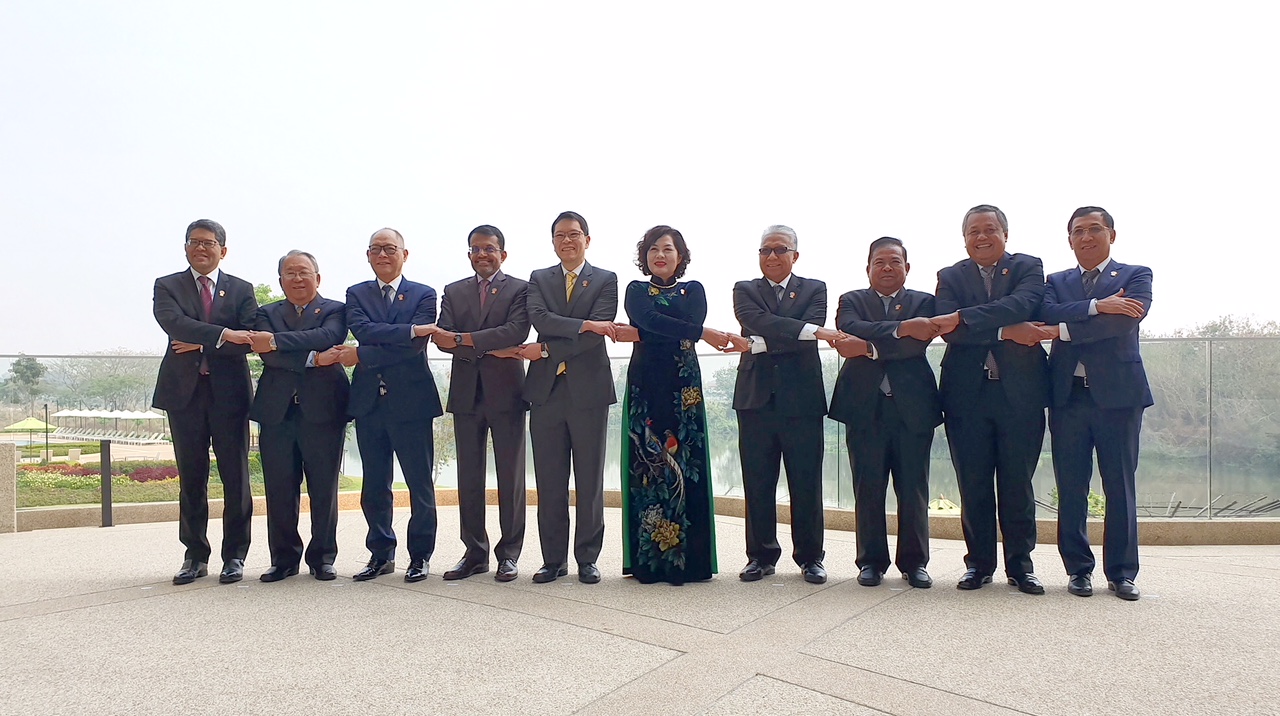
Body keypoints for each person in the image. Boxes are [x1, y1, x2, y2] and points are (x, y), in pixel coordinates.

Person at [615, 225, 748, 585]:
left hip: (683, 387)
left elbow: (666, 325)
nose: (660, 255)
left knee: (687, 464)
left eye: (668, 249)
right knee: (648, 464)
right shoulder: (636, 290)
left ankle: (690, 563)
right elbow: (651, 320)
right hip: (645, 387)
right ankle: (650, 563)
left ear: (681, 256)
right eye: (653, 249)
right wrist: (701, 334)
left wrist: (646, 333)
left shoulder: (695, 290)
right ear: (644, 256)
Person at [932, 204, 1050, 594]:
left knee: (1018, 484)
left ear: (1005, 234)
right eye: (973, 231)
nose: (981, 237)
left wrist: (964, 317)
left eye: (989, 230)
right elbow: (948, 329)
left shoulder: (1028, 267)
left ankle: (1021, 566)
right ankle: (978, 565)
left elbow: (1023, 305)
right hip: (966, 395)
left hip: (1021, 394)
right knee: (974, 484)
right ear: (965, 238)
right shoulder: (950, 276)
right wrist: (1005, 332)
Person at [1036, 206, 1152, 601]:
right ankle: (1078, 570)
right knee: (1071, 486)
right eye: (1078, 231)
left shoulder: (1136, 275)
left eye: (1095, 229)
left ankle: (1122, 573)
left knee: (1120, 485)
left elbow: (1123, 322)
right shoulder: (1056, 281)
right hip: (1067, 396)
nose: (1086, 237)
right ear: (1069, 239)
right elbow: (1044, 312)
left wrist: (1063, 331)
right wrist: (1097, 306)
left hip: (1119, 398)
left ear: (1111, 235)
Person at [828, 237, 943, 589]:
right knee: (868, 488)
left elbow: (916, 345)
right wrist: (901, 328)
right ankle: (871, 562)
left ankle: (915, 563)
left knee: (914, 488)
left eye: (895, 261)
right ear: (868, 269)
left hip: (913, 408)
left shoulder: (925, 302)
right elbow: (851, 330)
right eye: (880, 262)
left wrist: (869, 348)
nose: (887, 267)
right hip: (864, 407)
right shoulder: (851, 300)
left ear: (907, 267)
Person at [732, 225, 842, 584]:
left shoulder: (815, 288)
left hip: (802, 399)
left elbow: (812, 324)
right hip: (755, 398)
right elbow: (753, 320)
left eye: (780, 250)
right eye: (765, 250)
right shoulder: (745, 289)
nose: (772, 256)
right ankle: (760, 556)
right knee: (757, 481)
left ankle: (810, 558)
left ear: (795, 255)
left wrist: (762, 342)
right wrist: (805, 332)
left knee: (806, 482)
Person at [152, 219, 258, 585]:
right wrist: (225, 334)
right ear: (185, 248)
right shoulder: (167, 285)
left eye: (208, 243)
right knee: (192, 477)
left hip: (230, 396)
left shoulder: (241, 289)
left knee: (236, 477)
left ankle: (235, 556)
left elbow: (250, 338)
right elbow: (173, 323)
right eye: (194, 242)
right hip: (184, 395)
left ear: (222, 250)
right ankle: (195, 555)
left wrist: (202, 342)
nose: (200, 248)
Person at [517, 211, 618, 584]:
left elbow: (596, 335)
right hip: (546, 393)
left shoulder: (606, 279)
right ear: (553, 241)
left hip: (589, 393)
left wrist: (545, 350)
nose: (567, 241)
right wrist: (584, 324)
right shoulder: (539, 278)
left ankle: (587, 559)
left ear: (587, 240)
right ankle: (553, 560)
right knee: (550, 481)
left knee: (589, 481)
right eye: (560, 235)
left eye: (574, 234)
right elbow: (539, 319)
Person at [342, 228, 444, 582]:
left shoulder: (424, 294)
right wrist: (408, 330)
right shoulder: (356, 293)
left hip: (412, 402)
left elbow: (413, 347)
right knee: (374, 485)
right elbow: (363, 330)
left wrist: (363, 354)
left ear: (404, 254)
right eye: (376, 249)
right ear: (368, 255)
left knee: (420, 484)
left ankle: (420, 557)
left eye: (389, 248)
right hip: (369, 402)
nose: (382, 255)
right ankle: (380, 554)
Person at [432, 225, 531, 583]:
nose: (482, 254)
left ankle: (509, 554)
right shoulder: (453, 291)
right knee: (469, 477)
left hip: (507, 393)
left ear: (502, 254)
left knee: (511, 476)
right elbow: (441, 338)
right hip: (466, 393)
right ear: (469, 254)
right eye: (476, 249)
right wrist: (481, 343)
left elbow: (516, 331)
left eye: (489, 248)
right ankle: (474, 553)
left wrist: (463, 339)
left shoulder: (521, 289)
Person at [248, 250, 350, 582]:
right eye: (289, 273)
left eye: (303, 272)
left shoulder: (335, 310)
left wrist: (276, 341)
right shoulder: (265, 312)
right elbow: (268, 356)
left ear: (317, 278)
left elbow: (328, 337)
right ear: (280, 280)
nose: (297, 278)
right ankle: (283, 559)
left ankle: (323, 557)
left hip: (324, 410)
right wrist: (313, 359)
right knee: (279, 488)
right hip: (277, 411)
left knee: (324, 487)